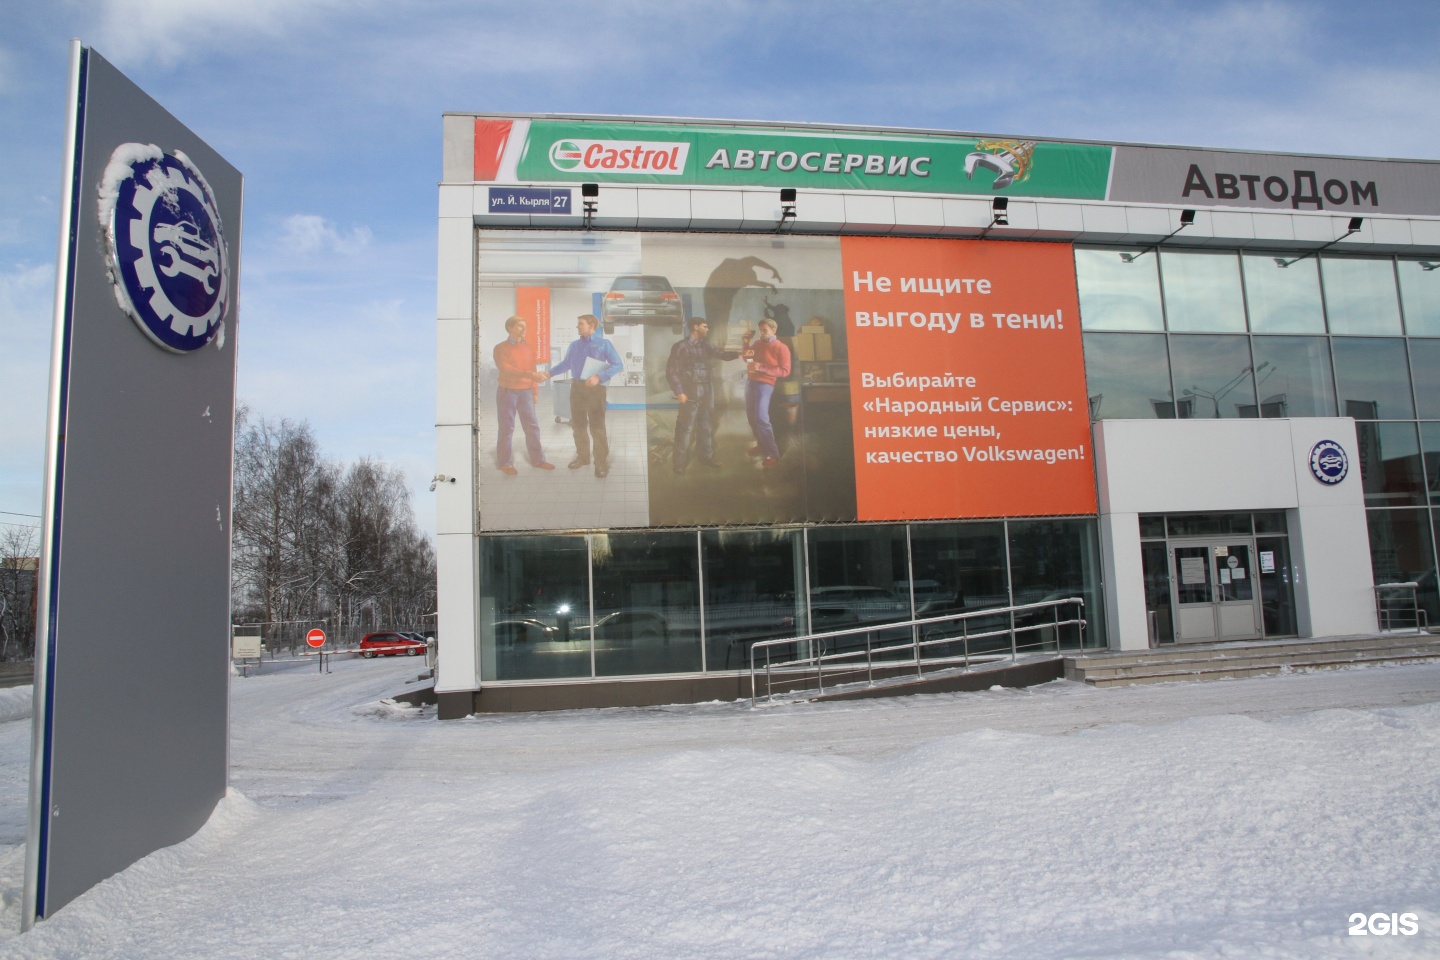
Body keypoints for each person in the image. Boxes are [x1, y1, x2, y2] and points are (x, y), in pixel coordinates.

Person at [549, 314, 623, 478]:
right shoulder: (574, 345)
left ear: (592, 326)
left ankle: (601, 463)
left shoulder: (604, 344)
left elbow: (618, 364)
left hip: (596, 389)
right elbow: (565, 364)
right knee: (578, 425)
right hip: (577, 387)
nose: (578, 326)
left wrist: (600, 376)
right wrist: (549, 374)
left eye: (581, 324)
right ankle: (583, 458)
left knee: (597, 427)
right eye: (578, 324)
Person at [666, 317, 739, 474]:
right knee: (685, 428)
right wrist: (679, 391)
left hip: (707, 389)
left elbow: (722, 355)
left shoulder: (705, 346)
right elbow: (672, 371)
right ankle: (679, 463)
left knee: (706, 425)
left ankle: (706, 457)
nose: (707, 329)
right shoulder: (680, 347)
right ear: (695, 327)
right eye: (705, 326)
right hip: (690, 391)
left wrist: (740, 353)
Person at [491, 316, 553, 476]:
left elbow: (532, 368)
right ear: (510, 328)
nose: (524, 329)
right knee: (507, 428)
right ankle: (505, 463)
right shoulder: (500, 348)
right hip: (507, 392)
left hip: (526, 392)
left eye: (525, 326)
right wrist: (531, 376)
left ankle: (538, 460)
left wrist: (535, 391)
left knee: (532, 427)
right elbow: (505, 368)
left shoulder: (529, 348)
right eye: (520, 326)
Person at [742, 317, 792, 468]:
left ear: (773, 330)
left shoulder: (781, 347)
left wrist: (762, 367)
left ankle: (772, 454)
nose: (761, 333)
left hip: (766, 384)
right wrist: (745, 343)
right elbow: (747, 359)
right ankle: (762, 445)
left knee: (761, 418)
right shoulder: (757, 343)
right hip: (751, 382)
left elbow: (785, 371)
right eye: (760, 330)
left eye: (765, 330)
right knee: (751, 417)